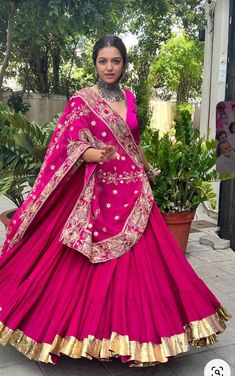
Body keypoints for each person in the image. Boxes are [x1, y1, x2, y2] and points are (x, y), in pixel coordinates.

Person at [0, 35, 231, 367]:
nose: (109, 67)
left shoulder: (130, 98)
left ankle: (140, 338)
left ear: (124, 64)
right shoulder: (82, 101)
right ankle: (87, 336)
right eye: (103, 61)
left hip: (135, 192)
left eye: (116, 61)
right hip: (99, 194)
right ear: (95, 63)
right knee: (85, 270)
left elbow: (133, 142)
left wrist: (148, 168)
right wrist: (97, 153)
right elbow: (71, 145)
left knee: (145, 270)